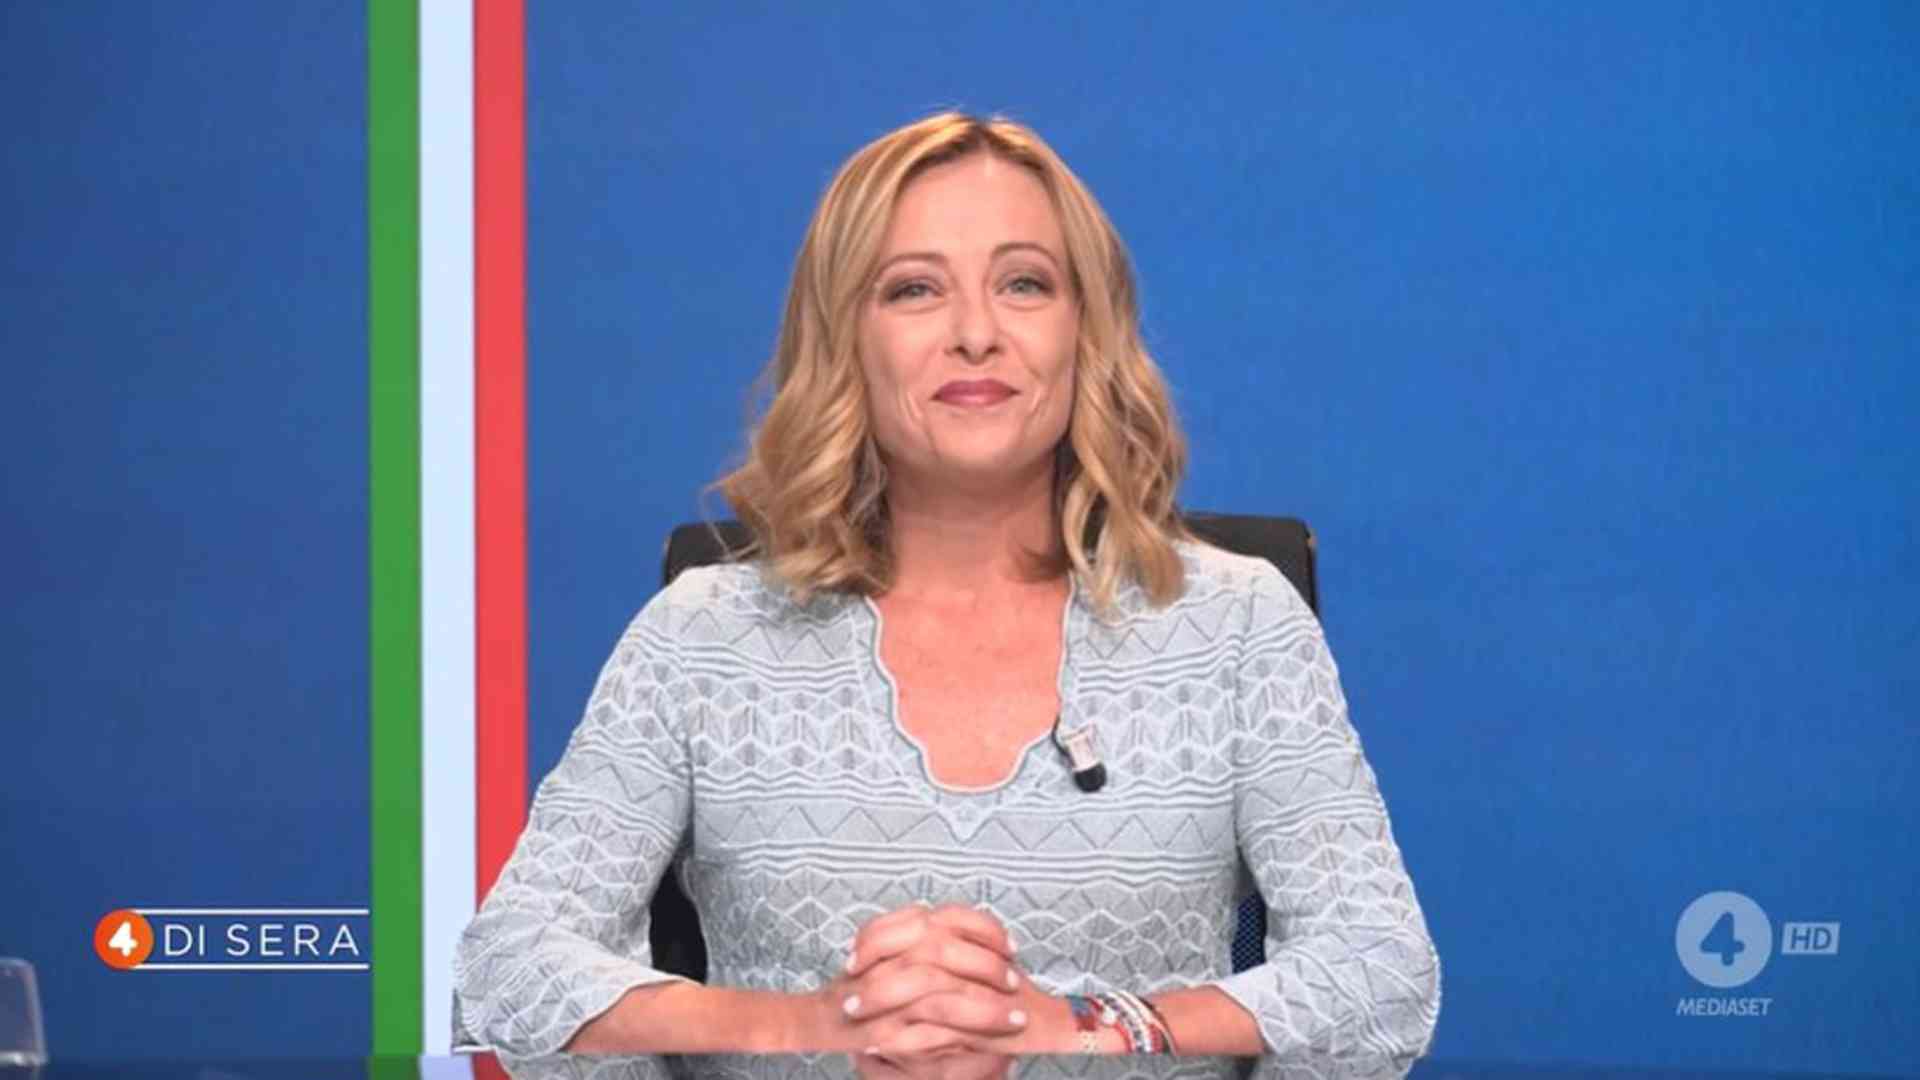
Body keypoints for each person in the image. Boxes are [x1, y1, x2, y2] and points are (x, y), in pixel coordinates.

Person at [452, 112, 1440, 1069]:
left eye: (1024, 283)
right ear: (846, 339)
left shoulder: (1236, 624)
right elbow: (509, 968)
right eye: (914, 289)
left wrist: (1077, 1026)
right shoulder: (703, 637)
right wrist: (818, 1023)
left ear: (1085, 330)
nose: (976, 333)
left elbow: (1382, 971)